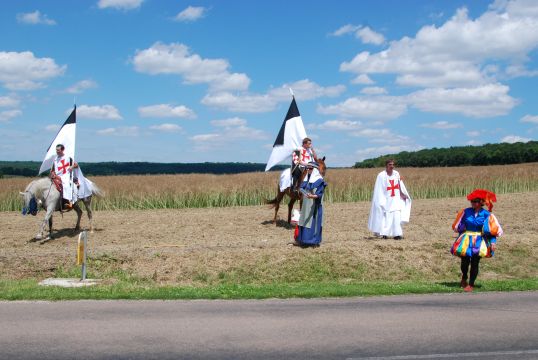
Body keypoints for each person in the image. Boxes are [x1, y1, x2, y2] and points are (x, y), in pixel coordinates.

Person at [451, 189, 503, 292]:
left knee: (475, 262)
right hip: (466, 240)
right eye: (472, 201)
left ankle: (471, 284)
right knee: (464, 261)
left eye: (475, 201)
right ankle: (464, 277)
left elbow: (492, 230)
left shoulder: (487, 215)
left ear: (481, 203)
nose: (473, 203)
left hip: (479, 241)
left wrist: (493, 242)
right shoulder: (465, 212)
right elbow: (458, 226)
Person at [368, 159, 411, 240]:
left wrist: (402, 194)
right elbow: (379, 189)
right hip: (386, 199)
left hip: (396, 199)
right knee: (386, 216)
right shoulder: (381, 175)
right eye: (390, 165)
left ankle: (397, 234)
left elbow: (399, 185)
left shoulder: (396, 173)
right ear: (386, 165)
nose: (392, 166)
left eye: (393, 164)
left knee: (397, 215)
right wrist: (381, 200)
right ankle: (385, 234)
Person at [294, 163, 327, 247]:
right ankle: (303, 240)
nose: (308, 170)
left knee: (313, 222)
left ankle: (313, 241)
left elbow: (319, 194)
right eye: (307, 168)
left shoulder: (319, 180)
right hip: (306, 205)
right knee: (304, 221)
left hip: (314, 206)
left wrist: (312, 196)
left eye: (310, 168)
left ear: (315, 169)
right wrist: (301, 190)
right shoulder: (307, 178)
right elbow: (302, 187)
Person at [50, 144, 78, 210]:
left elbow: (76, 165)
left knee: (66, 184)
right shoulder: (55, 159)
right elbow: (52, 169)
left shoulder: (68, 157)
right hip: (57, 176)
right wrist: (52, 173)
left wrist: (72, 166)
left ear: (62, 150)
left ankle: (69, 201)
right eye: (56, 150)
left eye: (58, 150)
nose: (57, 151)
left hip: (66, 175)